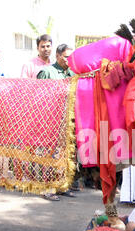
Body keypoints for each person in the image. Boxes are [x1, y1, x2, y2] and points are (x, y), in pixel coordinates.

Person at [37, 44, 78, 201]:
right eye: (66, 57)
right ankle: (47, 189)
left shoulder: (73, 73)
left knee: (65, 155)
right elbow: (38, 97)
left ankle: (62, 186)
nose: (69, 60)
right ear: (58, 56)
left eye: (71, 57)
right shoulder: (47, 72)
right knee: (49, 155)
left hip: (67, 122)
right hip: (49, 121)